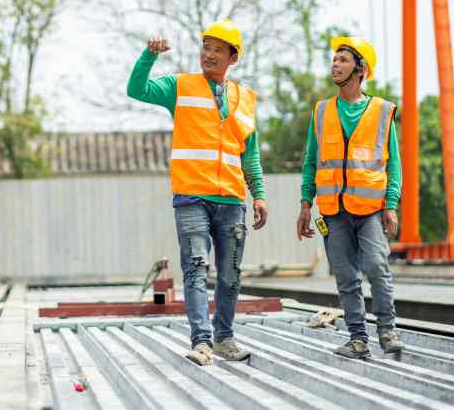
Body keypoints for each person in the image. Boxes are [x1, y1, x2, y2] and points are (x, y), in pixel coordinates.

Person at [127, 19, 268, 366]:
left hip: (232, 200)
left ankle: (224, 338)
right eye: (206, 47)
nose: (209, 55)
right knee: (194, 267)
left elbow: (249, 152)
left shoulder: (246, 99)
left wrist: (259, 194)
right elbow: (136, 89)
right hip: (191, 196)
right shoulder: (181, 87)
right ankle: (201, 341)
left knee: (231, 273)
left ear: (232, 58)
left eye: (218, 50)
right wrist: (149, 55)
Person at [296, 36, 405, 358]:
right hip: (332, 212)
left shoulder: (382, 112)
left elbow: (394, 164)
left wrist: (391, 204)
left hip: (370, 209)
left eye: (343, 60)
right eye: (334, 59)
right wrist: (305, 205)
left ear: (361, 69)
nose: (335, 64)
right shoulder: (322, 111)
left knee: (376, 266)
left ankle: (387, 330)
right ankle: (358, 339)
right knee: (345, 277)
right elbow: (310, 161)